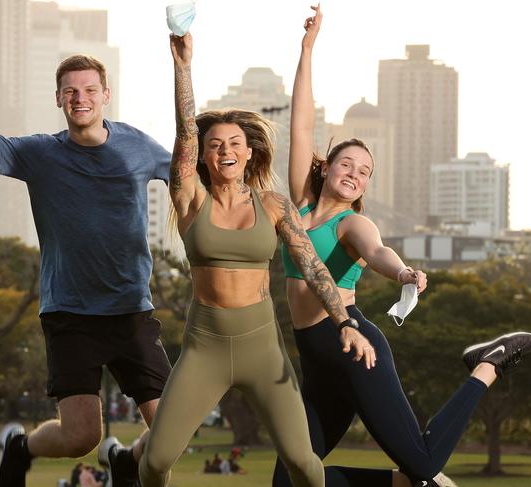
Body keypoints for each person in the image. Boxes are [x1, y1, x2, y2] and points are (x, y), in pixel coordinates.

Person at [272, 4, 531, 487]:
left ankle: (487, 366)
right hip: (314, 359)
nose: (354, 174)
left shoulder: (354, 225)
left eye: (364, 171)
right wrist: (307, 49)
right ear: (326, 166)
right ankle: (401, 485)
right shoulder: (302, 205)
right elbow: (301, 122)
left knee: (422, 461)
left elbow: (378, 253)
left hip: (354, 346)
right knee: (291, 482)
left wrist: (403, 274)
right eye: (346, 164)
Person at [0, 19, 172, 487]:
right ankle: (20, 446)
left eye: (89, 89)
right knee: (81, 436)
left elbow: (189, 175)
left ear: (106, 95)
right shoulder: (40, 153)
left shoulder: (139, 146)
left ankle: (125, 461)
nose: (80, 98)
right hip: (71, 315)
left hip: (131, 312)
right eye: (70, 91)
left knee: (171, 430)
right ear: (58, 99)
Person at [137, 30, 377, 487]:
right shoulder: (190, 200)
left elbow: (312, 265)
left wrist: (345, 322)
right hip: (204, 346)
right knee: (154, 461)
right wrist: (183, 67)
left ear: (248, 153)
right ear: (204, 157)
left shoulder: (274, 205)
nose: (224, 149)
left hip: (262, 348)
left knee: (305, 463)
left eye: (233, 143)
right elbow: (186, 130)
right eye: (215, 145)